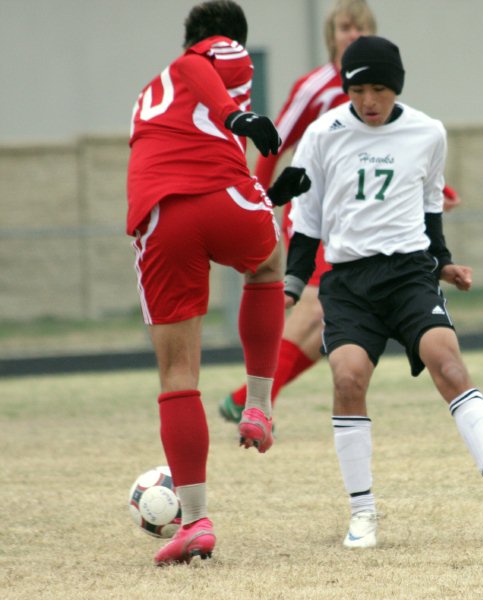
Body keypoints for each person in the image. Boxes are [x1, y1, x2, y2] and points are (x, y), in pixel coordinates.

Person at [281, 35, 483, 549]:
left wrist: (444, 264)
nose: (368, 101)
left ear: (396, 89)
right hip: (348, 284)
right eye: (358, 90)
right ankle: (363, 514)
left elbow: (430, 206)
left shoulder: (428, 133)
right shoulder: (323, 135)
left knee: (451, 364)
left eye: (379, 89)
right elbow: (306, 221)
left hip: (409, 276)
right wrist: (292, 285)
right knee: (348, 379)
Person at [219, 0, 461, 425]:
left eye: (361, 29)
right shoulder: (316, 87)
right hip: (318, 220)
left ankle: (250, 397)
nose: (353, 35)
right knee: (313, 312)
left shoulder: (377, 88)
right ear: (332, 35)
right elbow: (275, 143)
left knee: (322, 324)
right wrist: (260, 203)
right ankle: (252, 398)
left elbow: (396, 154)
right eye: (346, 28)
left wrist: (440, 190)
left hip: (362, 222)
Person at [127, 0, 293, 565]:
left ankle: (195, 520)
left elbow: (184, 143)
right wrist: (237, 114)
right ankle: (260, 404)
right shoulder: (213, 56)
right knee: (268, 265)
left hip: (160, 216)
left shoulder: (151, 93)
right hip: (221, 198)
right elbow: (203, 66)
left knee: (178, 375)